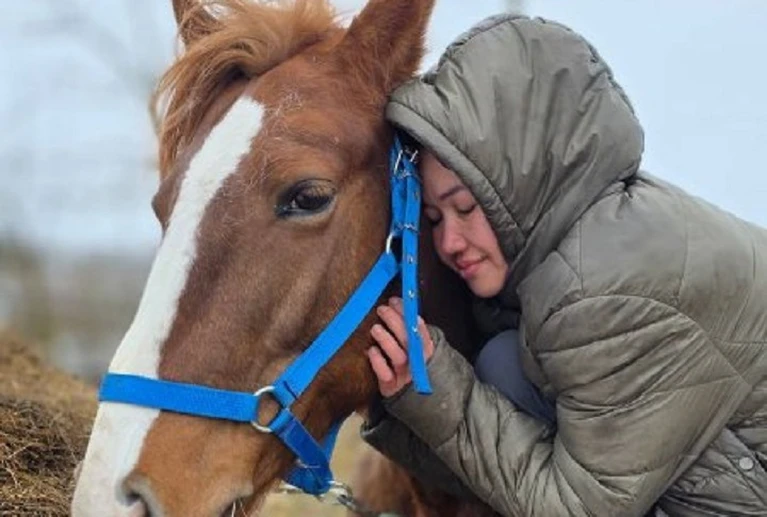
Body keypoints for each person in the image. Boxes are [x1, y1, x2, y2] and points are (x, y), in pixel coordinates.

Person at [362, 13, 767, 517]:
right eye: (434, 218)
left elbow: (578, 509)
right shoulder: (587, 243)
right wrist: (400, 400)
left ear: (523, 183)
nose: (449, 241)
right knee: (505, 363)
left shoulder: (604, 289)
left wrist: (433, 392)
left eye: (465, 207)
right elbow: (495, 481)